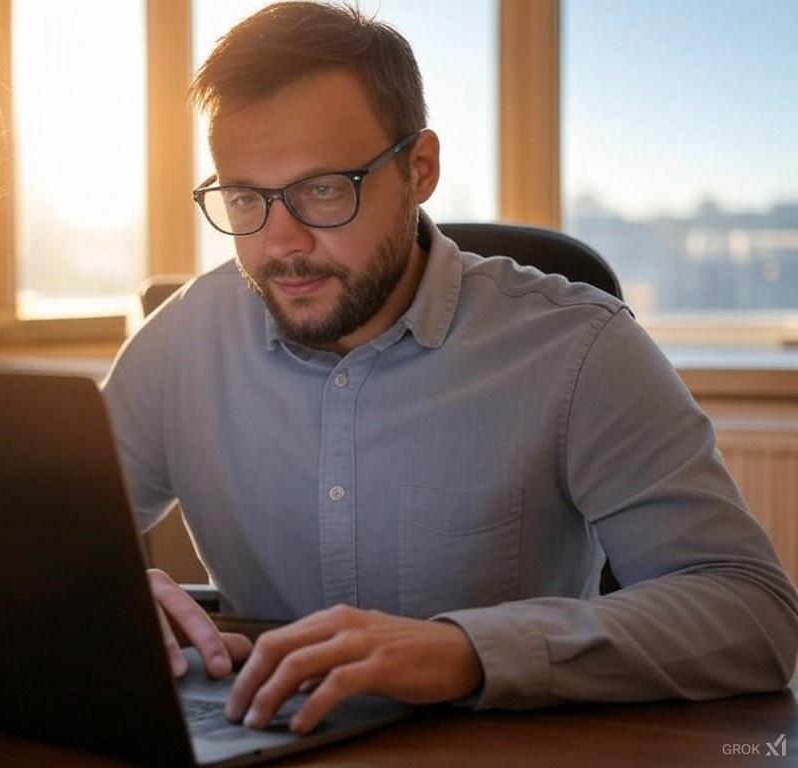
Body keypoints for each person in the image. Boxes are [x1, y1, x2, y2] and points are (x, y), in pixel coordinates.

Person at [102, 0, 798, 736]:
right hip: (253, 737)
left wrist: (467, 651)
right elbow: (16, 544)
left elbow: (751, 613)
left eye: (323, 189)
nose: (282, 243)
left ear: (420, 168)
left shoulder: (579, 347)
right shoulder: (182, 340)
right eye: (246, 197)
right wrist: (91, 592)